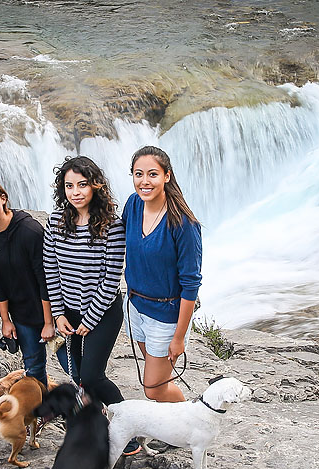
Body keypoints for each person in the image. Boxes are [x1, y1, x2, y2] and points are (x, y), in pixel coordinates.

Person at [43, 156, 126, 407]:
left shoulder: (112, 225)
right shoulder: (55, 221)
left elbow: (111, 279)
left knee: (92, 376)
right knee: (77, 374)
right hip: (68, 312)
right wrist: (58, 314)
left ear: (95, 186)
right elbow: (51, 270)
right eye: (69, 186)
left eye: (82, 185)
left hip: (103, 312)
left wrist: (90, 320)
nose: (75, 192)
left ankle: (130, 427)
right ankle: (96, 422)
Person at [121, 145, 202, 403]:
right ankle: (171, 426)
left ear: (167, 176)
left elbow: (191, 284)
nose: (145, 181)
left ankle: (188, 421)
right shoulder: (133, 205)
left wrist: (179, 337)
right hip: (135, 307)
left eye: (153, 174)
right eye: (138, 174)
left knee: (153, 387)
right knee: (157, 377)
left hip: (165, 316)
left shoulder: (183, 224)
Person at [0, 177, 54, 387]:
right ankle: (41, 411)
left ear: (3, 199)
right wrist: (6, 320)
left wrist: (48, 322)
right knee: (33, 366)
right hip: (20, 312)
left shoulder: (29, 231)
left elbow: (45, 279)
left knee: (72, 368)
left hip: (50, 309)